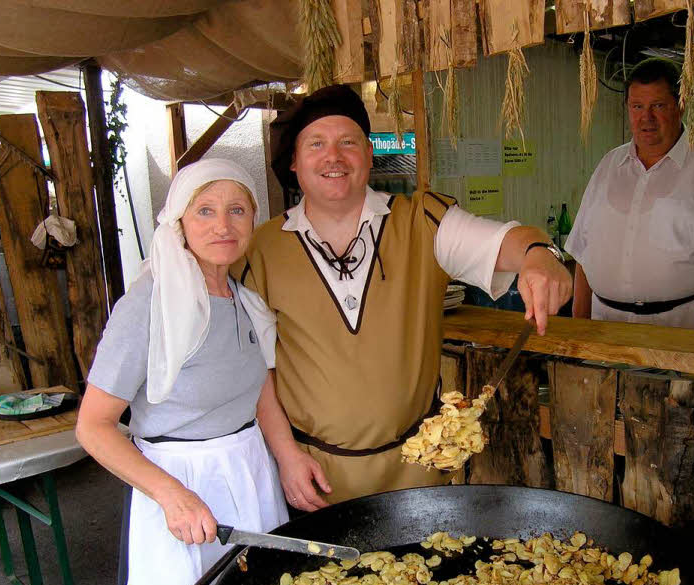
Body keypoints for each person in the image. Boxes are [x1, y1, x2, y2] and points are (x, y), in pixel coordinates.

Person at [235, 84, 571, 509]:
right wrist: (285, 455)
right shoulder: (259, 251)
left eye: (348, 142)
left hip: (418, 471)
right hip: (314, 475)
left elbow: (508, 240)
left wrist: (539, 254)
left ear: (368, 155)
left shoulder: (423, 222)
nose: (333, 156)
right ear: (295, 163)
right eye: (316, 144)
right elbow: (255, 371)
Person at [76, 159, 288, 585]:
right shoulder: (148, 305)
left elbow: (260, 391)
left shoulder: (245, 303)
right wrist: (171, 494)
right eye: (205, 209)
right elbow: (94, 427)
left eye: (237, 209)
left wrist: (289, 457)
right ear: (178, 221)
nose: (222, 224)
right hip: (178, 485)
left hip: (247, 478)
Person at [566, 58, 694, 333]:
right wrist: (578, 334)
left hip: (692, 338)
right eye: (637, 106)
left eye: (659, 106)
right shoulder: (609, 166)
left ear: (681, 104)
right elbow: (582, 255)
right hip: (609, 337)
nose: (646, 118)